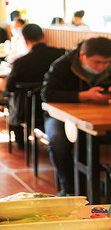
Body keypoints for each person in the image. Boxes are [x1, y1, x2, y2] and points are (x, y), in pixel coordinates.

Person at [41, 36, 111, 196]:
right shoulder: (63, 65)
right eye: (97, 62)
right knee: (58, 140)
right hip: (60, 116)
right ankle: (70, 189)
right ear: (82, 56)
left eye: (106, 63)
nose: (102, 67)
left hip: (99, 116)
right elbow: (48, 94)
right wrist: (85, 95)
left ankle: (104, 186)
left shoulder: (109, 66)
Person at [5, 24, 65, 149]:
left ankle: (20, 142)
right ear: (44, 36)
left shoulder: (21, 63)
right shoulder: (61, 55)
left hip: (27, 111)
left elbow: (9, 87)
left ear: (25, 40)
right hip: (57, 105)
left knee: (13, 98)